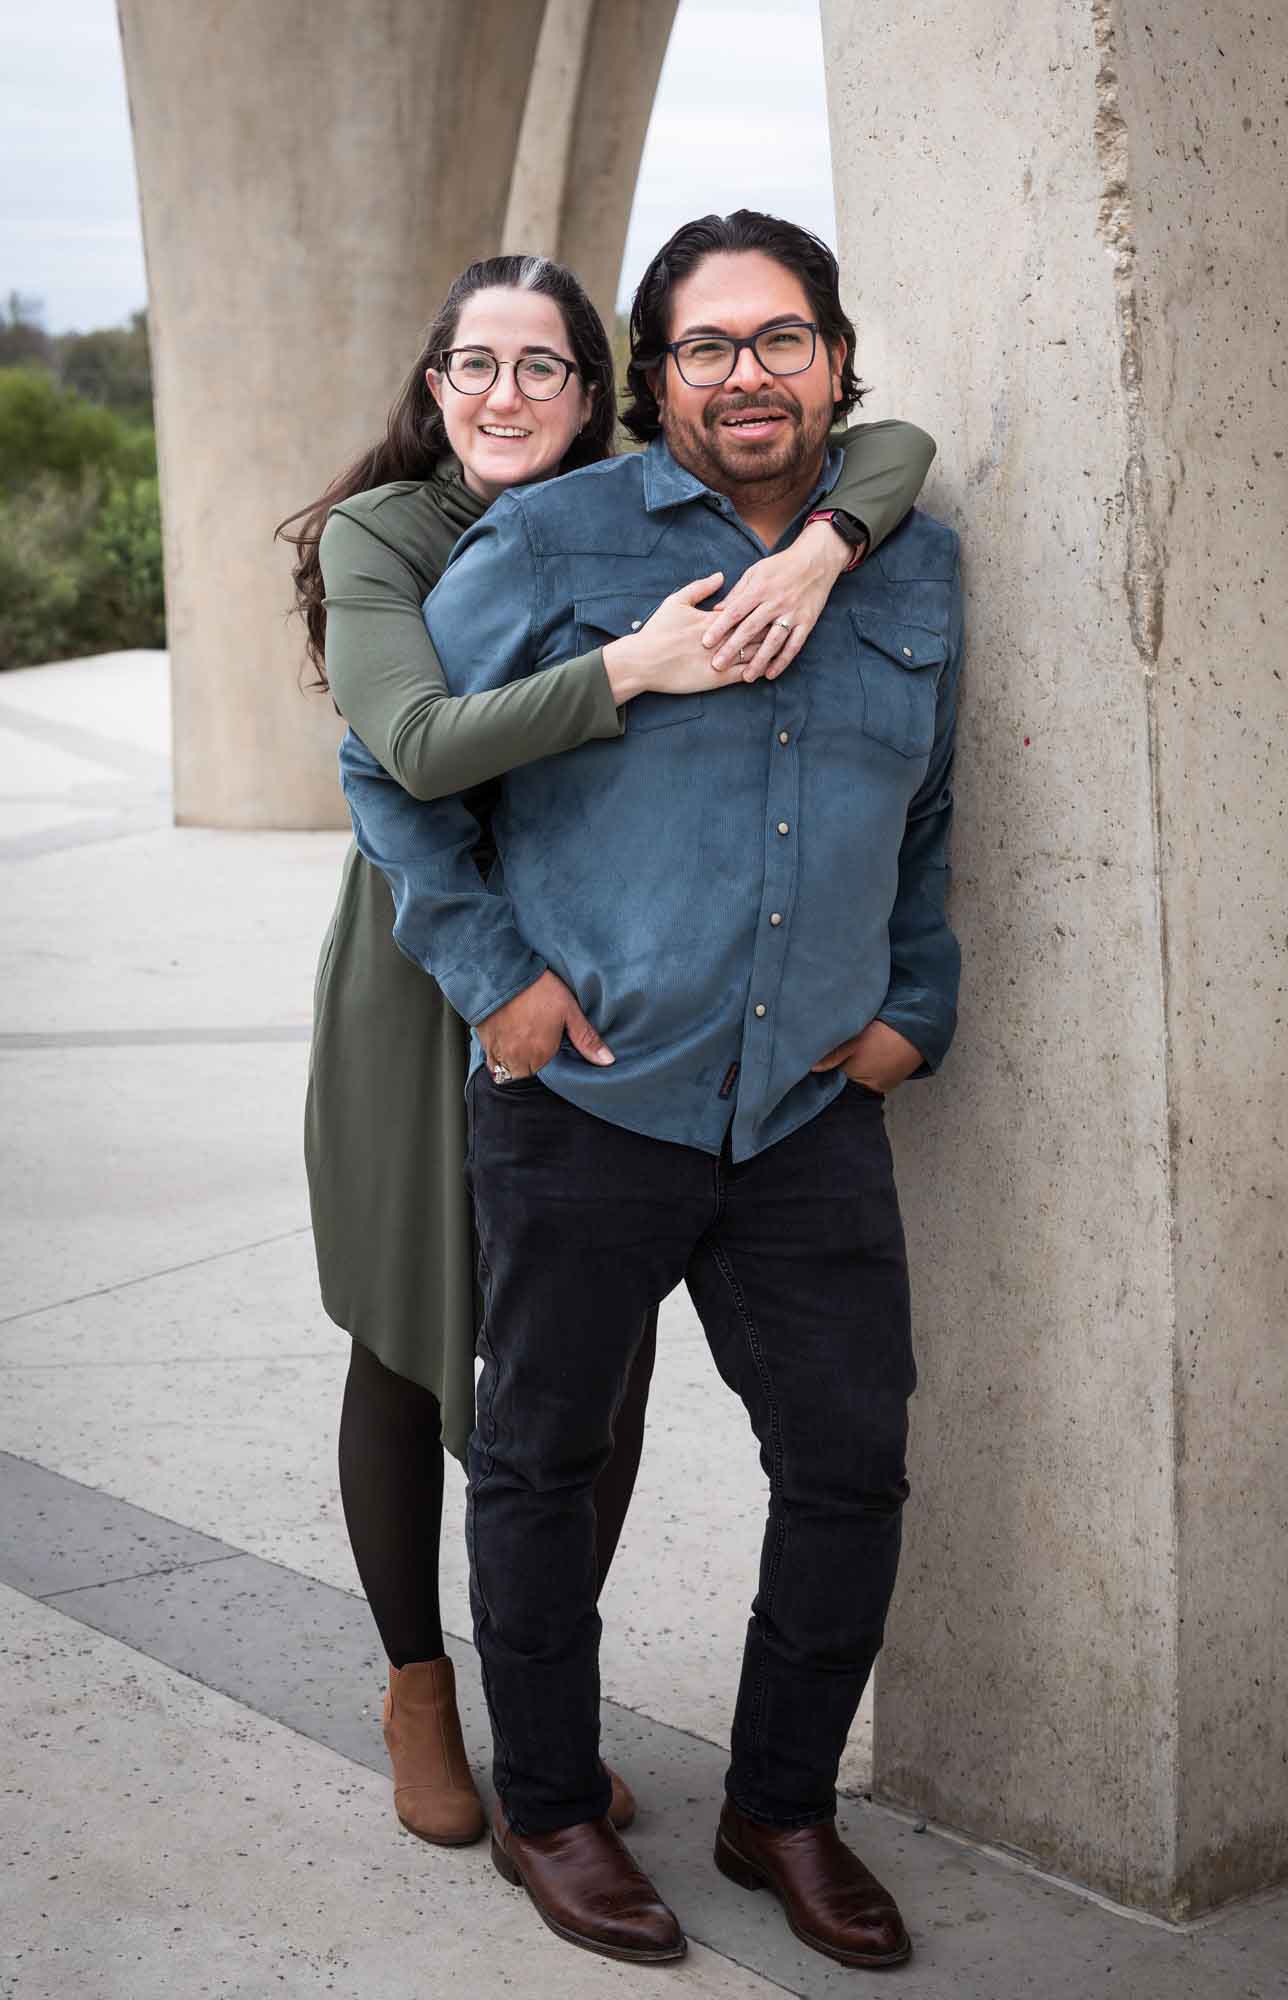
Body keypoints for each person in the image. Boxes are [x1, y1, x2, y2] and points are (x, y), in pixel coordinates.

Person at [341, 211, 963, 1969]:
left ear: (837, 358)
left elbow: (926, 813)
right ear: (658, 376)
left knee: (847, 1471)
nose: (745, 374)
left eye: (779, 340)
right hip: (585, 1103)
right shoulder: (553, 536)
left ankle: (782, 1810)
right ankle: (548, 1808)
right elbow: (387, 775)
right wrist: (496, 984)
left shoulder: (912, 560)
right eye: (705, 347)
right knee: (538, 1464)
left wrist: (918, 1000)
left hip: (810, 1112)